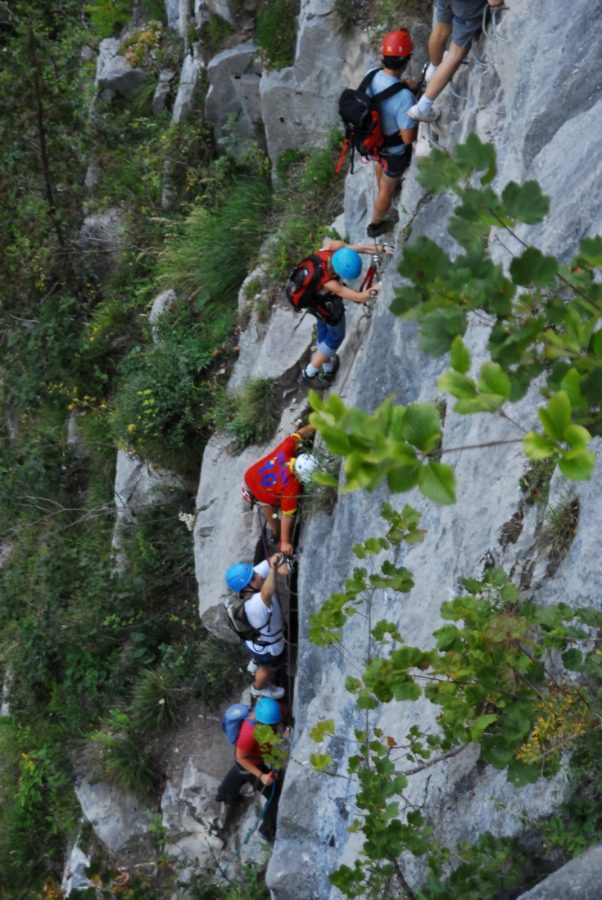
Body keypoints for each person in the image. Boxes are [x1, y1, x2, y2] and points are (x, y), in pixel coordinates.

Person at [297, 239, 387, 387]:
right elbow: (360, 297)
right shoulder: (329, 283)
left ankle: (328, 368)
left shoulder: (328, 249)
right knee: (335, 338)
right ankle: (309, 373)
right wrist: (383, 284)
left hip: (316, 305)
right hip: (328, 309)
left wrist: (381, 247)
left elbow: (358, 247)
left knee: (324, 331)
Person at [408, 0, 504, 123]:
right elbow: (495, 2)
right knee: (455, 54)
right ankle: (423, 107)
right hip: (466, 6)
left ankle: (433, 70)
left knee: (440, 32)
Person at [364, 29, 418, 238]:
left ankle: (383, 185)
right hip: (393, 151)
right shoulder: (405, 97)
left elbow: (382, 93)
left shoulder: (371, 74)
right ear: (405, 62)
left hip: (373, 141)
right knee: (387, 188)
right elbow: (407, 139)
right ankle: (375, 225)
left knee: (380, 164)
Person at [215, 696, 286, 843]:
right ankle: (266, 830)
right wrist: (261, 776)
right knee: (275, 796)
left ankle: (224, 793)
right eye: (271, 726)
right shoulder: (249, 734)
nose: (274, 729)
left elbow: (286, 717)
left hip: (255, 757)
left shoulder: (276, 711)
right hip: (249, 761)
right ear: (260, 722)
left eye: (275, 725)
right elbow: (241, 758)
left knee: (239, 772)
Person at [243, 425, 318, 555]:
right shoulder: (292, 486)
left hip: (250, 477)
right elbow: (287, 515)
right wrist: (285, 542)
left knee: (265, 502)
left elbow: (299, 434)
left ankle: (275, 533)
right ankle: (276, 532)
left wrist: (317, 424)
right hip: (262, 494)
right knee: (267, 504)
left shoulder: (287, 449)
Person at [225, 554, 289, 699]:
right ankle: (258, 688)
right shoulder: (253, 607)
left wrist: (277, 559)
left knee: (262, 661)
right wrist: (274, 569)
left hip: (255, 643)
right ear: (246, 587)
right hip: (268, 649)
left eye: (254, 574)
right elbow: (267, 593)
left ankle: (255, 662)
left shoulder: (248, 584)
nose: (259, 576)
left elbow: (268, 562)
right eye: (253, 578)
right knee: (269, 668)